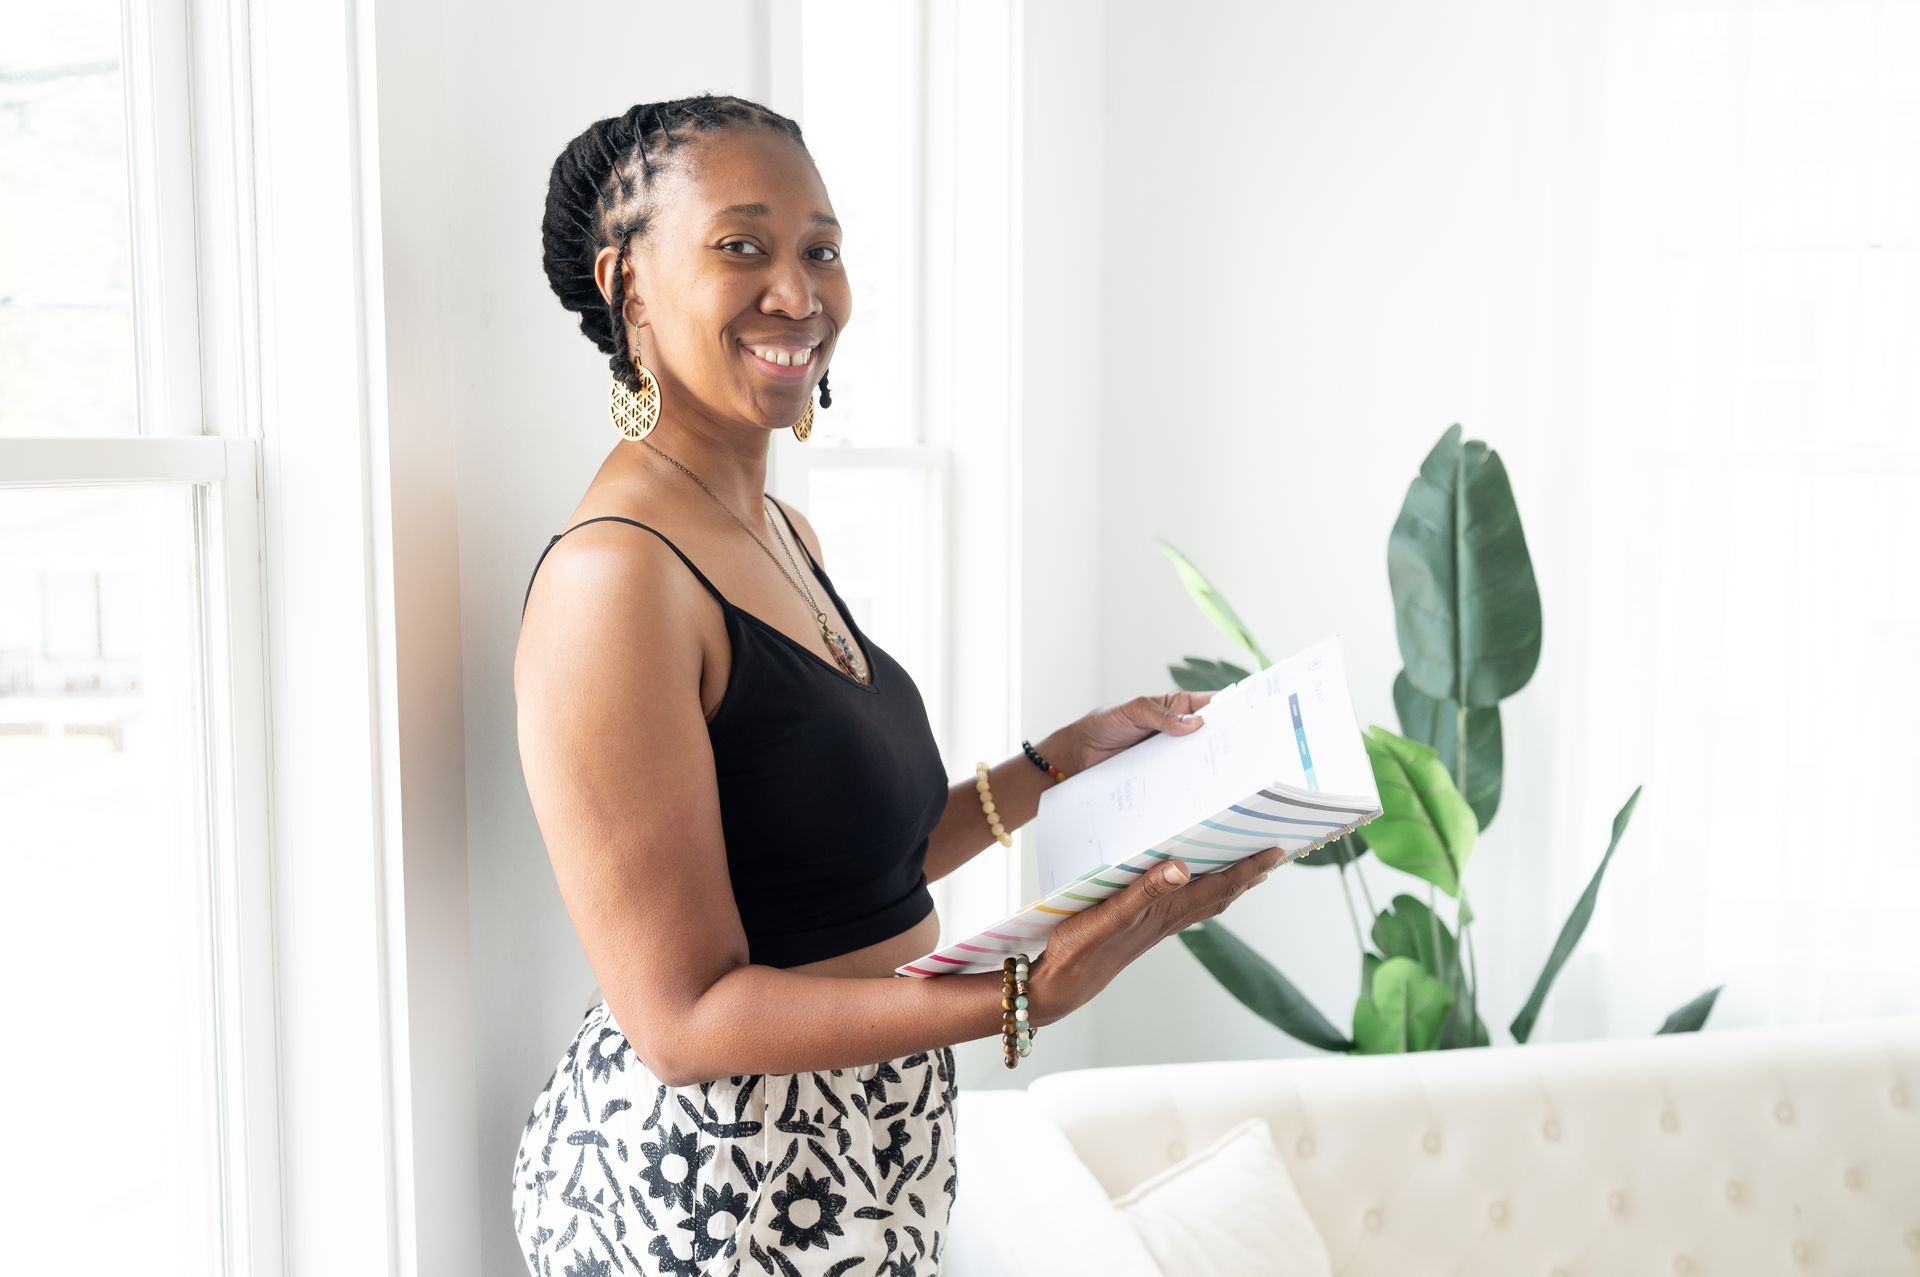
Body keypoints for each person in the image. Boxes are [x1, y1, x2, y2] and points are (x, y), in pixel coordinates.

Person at [508, 93, 1291, 1277]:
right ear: (628, 285)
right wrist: (1023, 990)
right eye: (742, 246)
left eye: (821, 248)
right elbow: (681, 1022)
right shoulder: (615, 576)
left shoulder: (781, 530)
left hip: (863, 1155)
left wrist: (1057, 763)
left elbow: (846, 876)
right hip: (716, 1186)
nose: (799, 291)